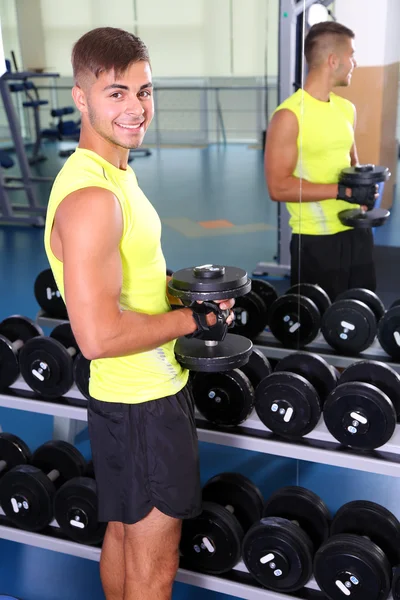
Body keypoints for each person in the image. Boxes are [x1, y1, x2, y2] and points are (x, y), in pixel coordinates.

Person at [43, 27, 234, 600]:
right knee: (155, 565)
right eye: (117, 93)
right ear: (82, 97)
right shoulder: (93, 199)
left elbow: (127, 291)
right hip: (143, 404)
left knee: (125, 537)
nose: (136, 108)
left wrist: (183, 299)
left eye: (145, 92)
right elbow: (98, 336)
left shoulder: (112, 175)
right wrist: (195, 322)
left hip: (126, 399)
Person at [265, 21, 378, 301]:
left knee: (364, 315)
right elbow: (278, 187)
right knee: (320, 330)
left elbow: (352, 163)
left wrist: (365, 191)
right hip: (316, 240)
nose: (355, 62)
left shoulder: (345, 108)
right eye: (352, 55)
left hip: (356, 229)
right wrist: (343, 192)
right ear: (333, 60)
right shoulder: (289, 116)